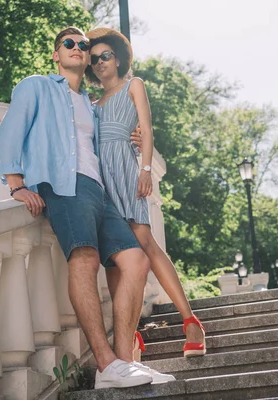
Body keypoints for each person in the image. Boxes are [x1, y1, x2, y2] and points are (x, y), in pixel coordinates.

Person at [0, 26, 173, 388]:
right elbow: (11, 129)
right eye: (69, 43)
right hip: (64, 184)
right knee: (86, 258)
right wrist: (15, 183)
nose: (78, 48)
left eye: (84, 45)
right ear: (56, 54)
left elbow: (111, 137)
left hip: (99, 190)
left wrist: (135, 139)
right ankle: (106, 364)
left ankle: (123, 362)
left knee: (136, 261)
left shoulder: (92, 104)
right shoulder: (38, 87)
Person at [85, 28, 206, 358]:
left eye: (105, 56)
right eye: (93, 59)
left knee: (145, 241)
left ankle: (190, 321)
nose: (99, 63)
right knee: (114, 259)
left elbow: (147, 128)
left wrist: (146, 168)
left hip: (127, 171)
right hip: (100, 180)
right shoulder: (91, 104)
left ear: (119, 58)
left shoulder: (132, 86)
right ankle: (131, 334)